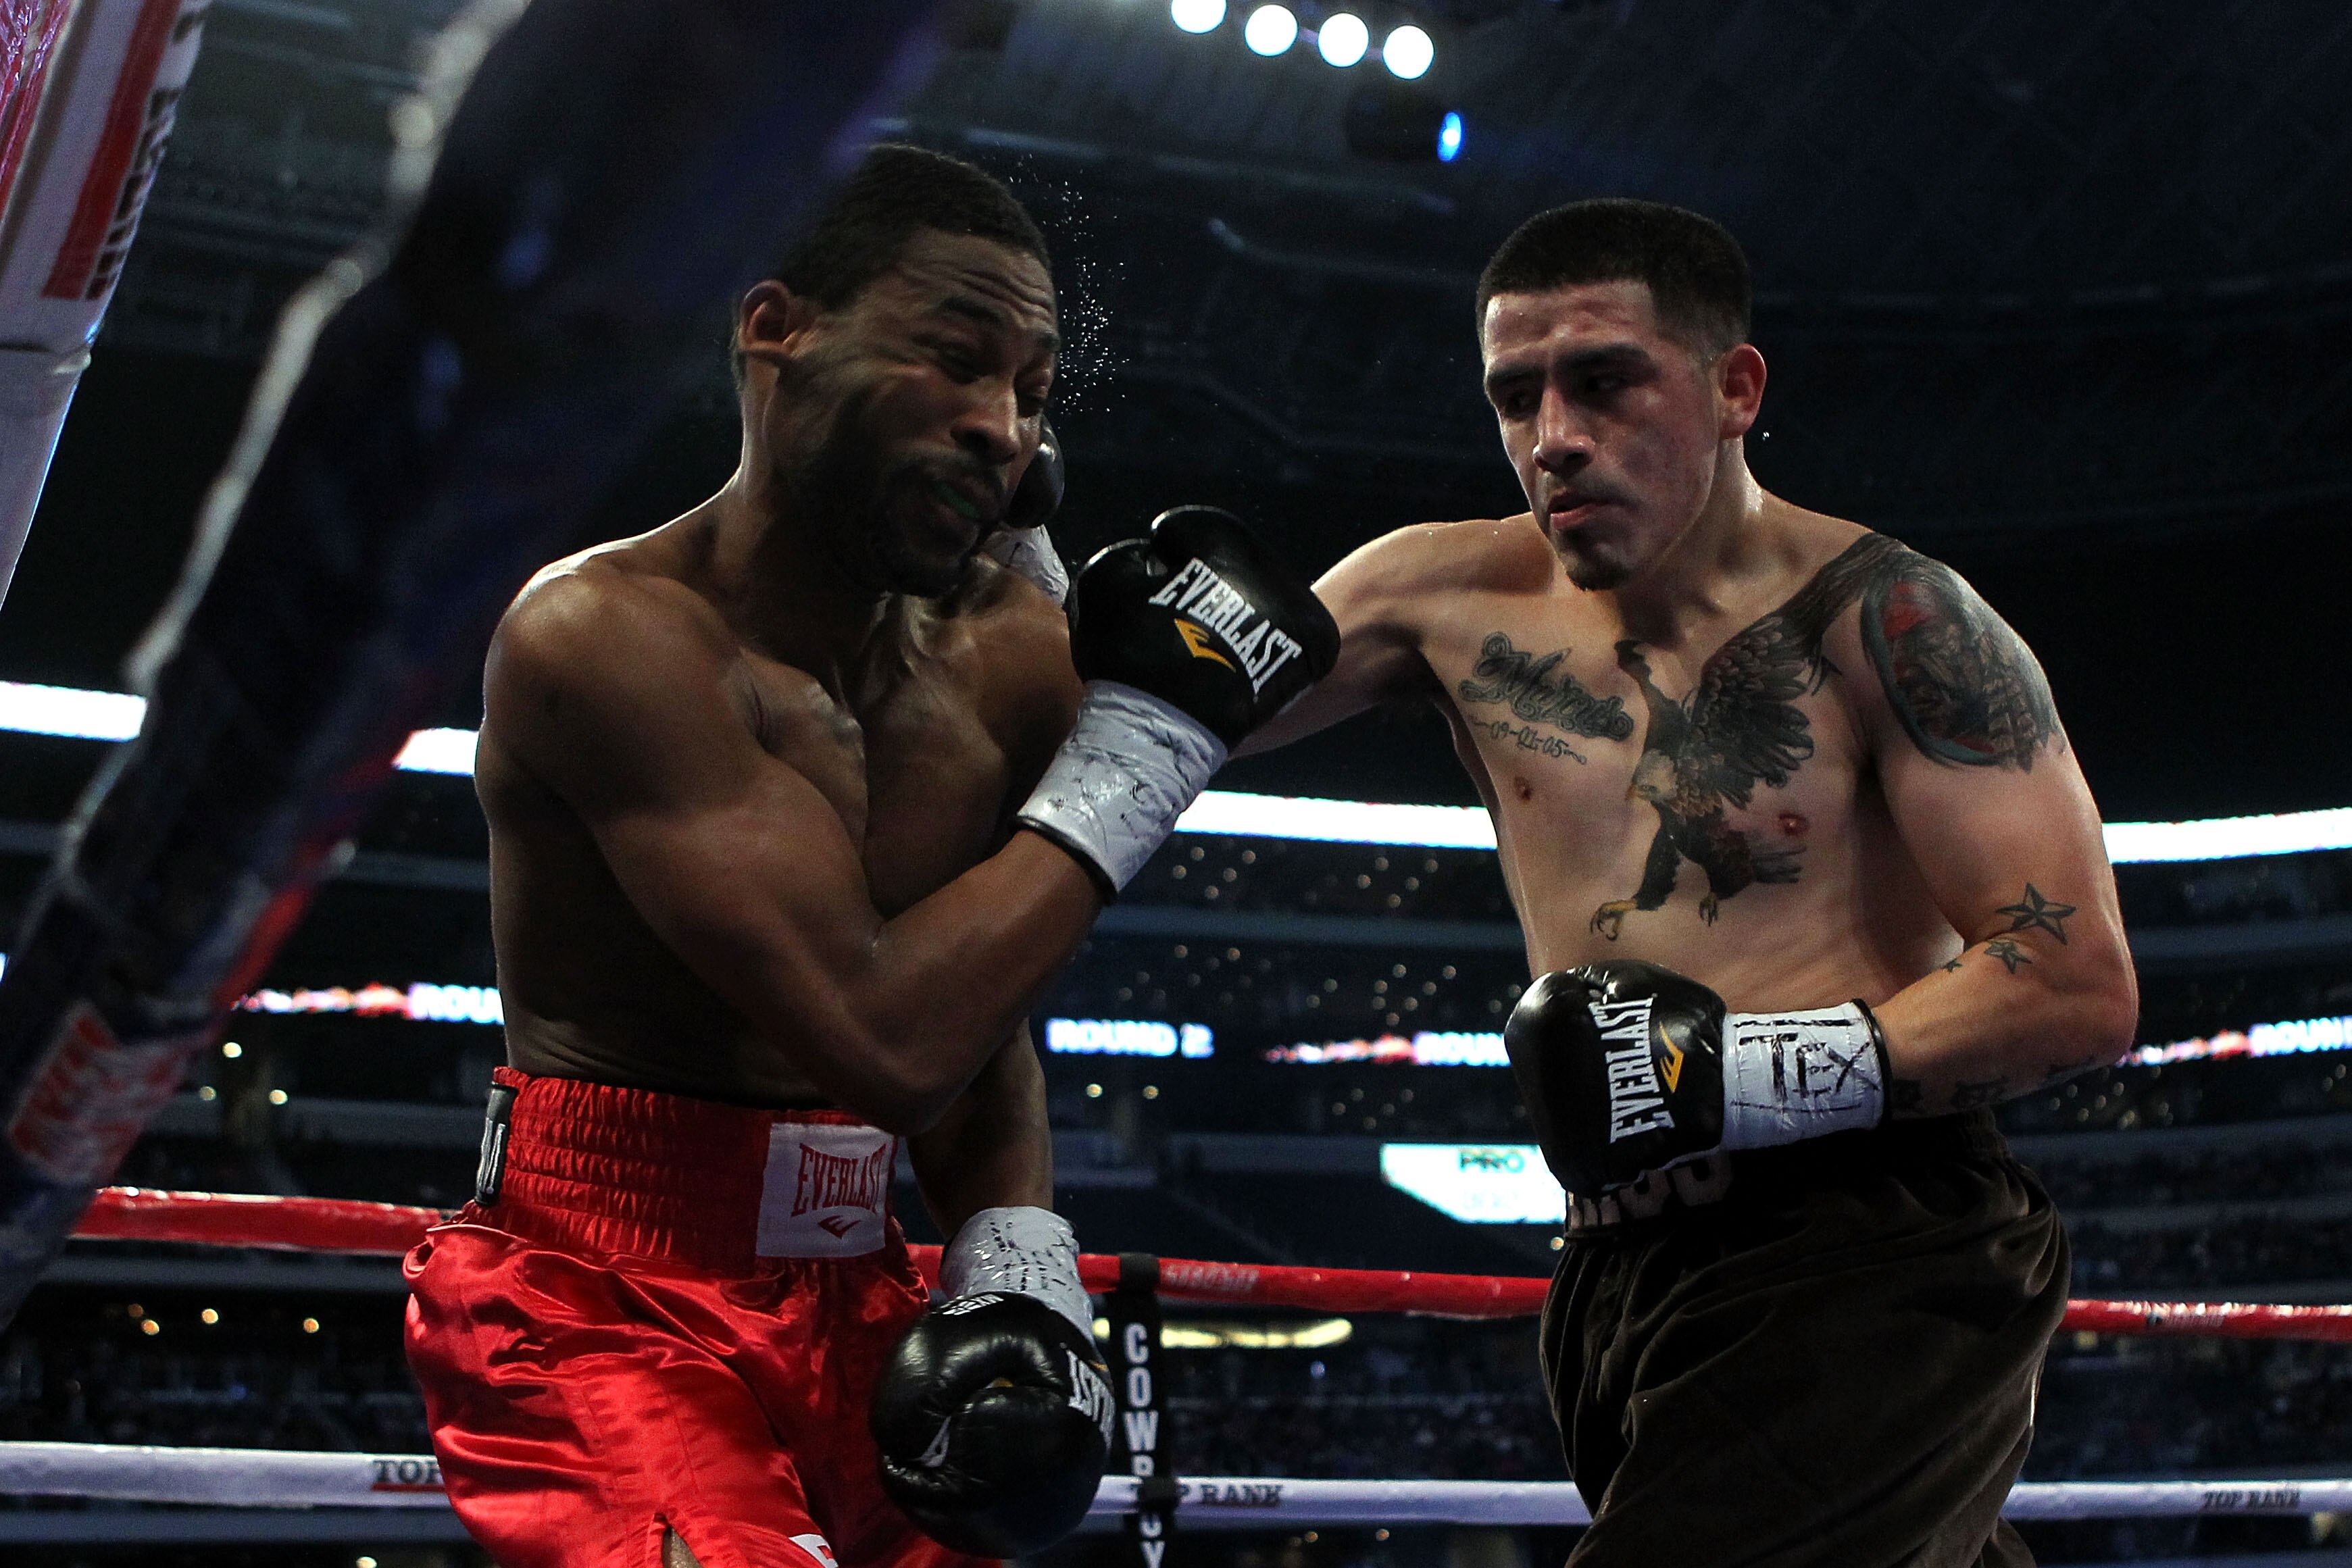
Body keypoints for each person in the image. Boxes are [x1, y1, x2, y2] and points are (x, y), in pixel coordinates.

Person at [402, 145, 1334, 1568]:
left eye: (1029, 391)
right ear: (776, 326)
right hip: (601, 1291)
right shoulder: (605, 639)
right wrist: (1150, 749)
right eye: (958, 361)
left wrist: (1015, 1276)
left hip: (868, 1277)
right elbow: (887, 1043)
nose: (1001, 429)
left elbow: (978, 1030)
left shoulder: (1015, 662)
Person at [1248, 199, 2139, 1565]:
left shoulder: (1888, 619)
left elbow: (2071, 983)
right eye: (1514, 395)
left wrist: (1728, 1079)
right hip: (1614, 1269)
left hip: (1870, 1248)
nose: (1555, 435)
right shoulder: (1429, 594)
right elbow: (1156, 718)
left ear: (1733, 388)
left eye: (1604, 380)